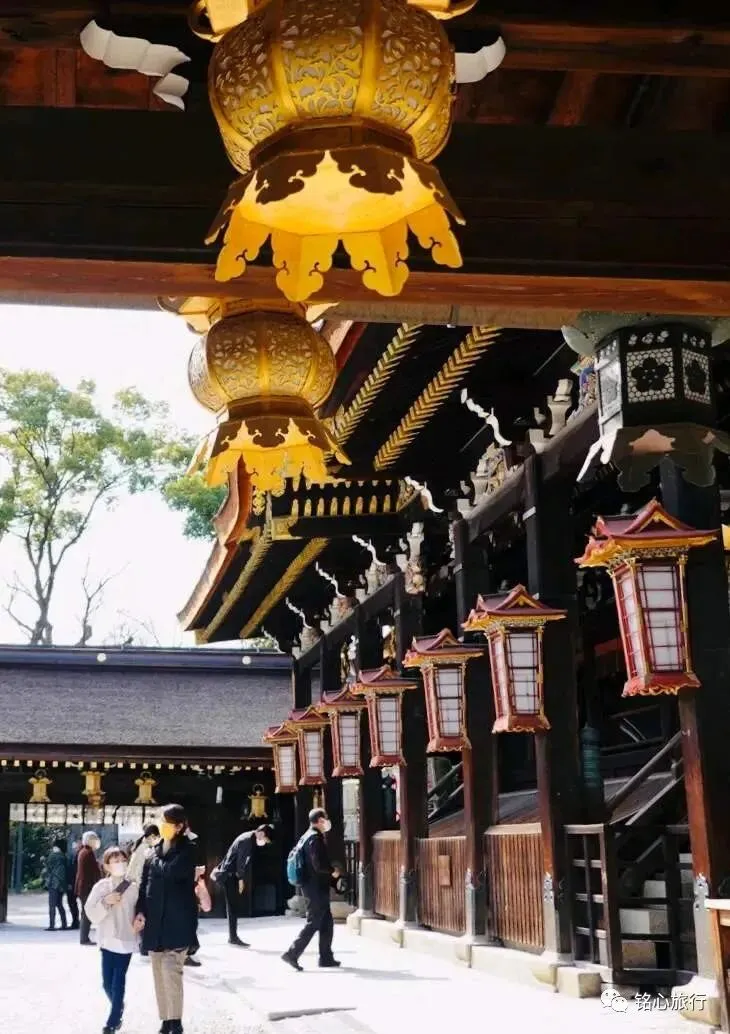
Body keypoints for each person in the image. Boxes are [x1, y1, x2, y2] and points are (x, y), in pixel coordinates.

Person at [135, 804, 197, 1034]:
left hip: (177, 922)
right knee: (158, 974)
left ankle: (176, 1021)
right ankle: (165, 1020)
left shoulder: (188, 850)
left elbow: (172, 871)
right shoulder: (152, 851)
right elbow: (143, 886)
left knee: (172, 972)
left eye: (165, 821)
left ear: (179, 826)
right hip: (154, 923)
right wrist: (140, 911)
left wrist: (153, 856)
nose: (162, 825)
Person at [85, 846, 144, 1034]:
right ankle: (118, 1007)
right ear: (107, 866)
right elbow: (90, 911)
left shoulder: (133, 887)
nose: (119, 864)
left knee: (119, 981)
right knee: (106, 983)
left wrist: (141, 917)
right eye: (115, 861)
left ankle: (112, 1022)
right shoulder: (101, 887)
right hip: (107, 939)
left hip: (126, 939)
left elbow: (143, 907)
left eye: (122, 860)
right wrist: (105, 902)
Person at [281, 809, 341, 971]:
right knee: (314, 922)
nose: (327, 822)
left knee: (326, 922)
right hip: (314, 887)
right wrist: (332, 871)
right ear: (320, 820)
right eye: (326, 819)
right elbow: (318, 865)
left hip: (312, 886)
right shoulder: (314, 838)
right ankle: (292, 953)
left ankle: (326, 957)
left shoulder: (306, 836)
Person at [212, 823, 274, 946]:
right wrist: (241, 879)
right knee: (232, 906)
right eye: (266, 839)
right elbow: (240, 862)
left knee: (233, 906)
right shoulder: (246, 840)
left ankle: (233, 936)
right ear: (261, 833)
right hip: (229, 875)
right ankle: (233, 937)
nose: (264, 842)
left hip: (232, 874)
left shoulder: (249, 838)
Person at [126, 824, 160, 959]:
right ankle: (144, 946)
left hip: (139, 885)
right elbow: (141, 870)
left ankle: (144, 945)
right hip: (143, 886)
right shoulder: (146, 849)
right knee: (144, 916)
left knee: (142, 915)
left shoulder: (140, 846)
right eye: (157, 836)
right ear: (152, 836)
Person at [76, 831, 102, 945]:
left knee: (85, 912)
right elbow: (94, 872)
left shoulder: (83, 851)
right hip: (87, 887)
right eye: (93, 839)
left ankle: (84, 937)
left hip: (83, 887)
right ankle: (84, 938)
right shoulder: (88, 853)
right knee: (87, 913)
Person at [45, 838, 69, 931]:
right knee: (59, 904)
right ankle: (64, 924)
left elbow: (48, 868)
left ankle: (52, 925)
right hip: (62, 883)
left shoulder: (52, 856)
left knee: (52, 905)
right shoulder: (64, 857)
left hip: (53, 882)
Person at [66, 841, 81, 930]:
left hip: (74, 883)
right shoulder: (75, 855)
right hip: (74, 883)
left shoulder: (77, 856)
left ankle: (76, 921)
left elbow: (72, 871)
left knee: (72, 902)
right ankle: (76, 921)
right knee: (72, 903)